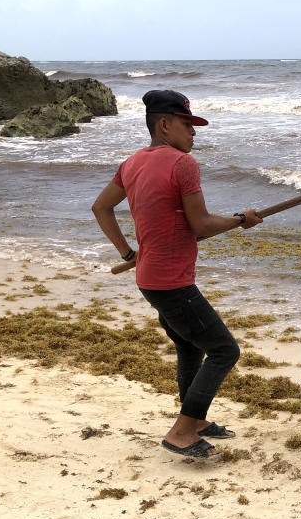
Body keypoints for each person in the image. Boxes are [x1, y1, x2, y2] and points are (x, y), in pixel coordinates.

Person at [92, 89, 262, 458]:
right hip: (172, 282)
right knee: (223, 351)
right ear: (164, 125)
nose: (194, 132)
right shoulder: (183, 164)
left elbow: (101, 208)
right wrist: (240, 219)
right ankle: (182, 432)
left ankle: (196, 421)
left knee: (189, 346)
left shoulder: (132, 162)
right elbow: (199, 225)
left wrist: (127, 252)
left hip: (149, 279)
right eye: (187, 124)